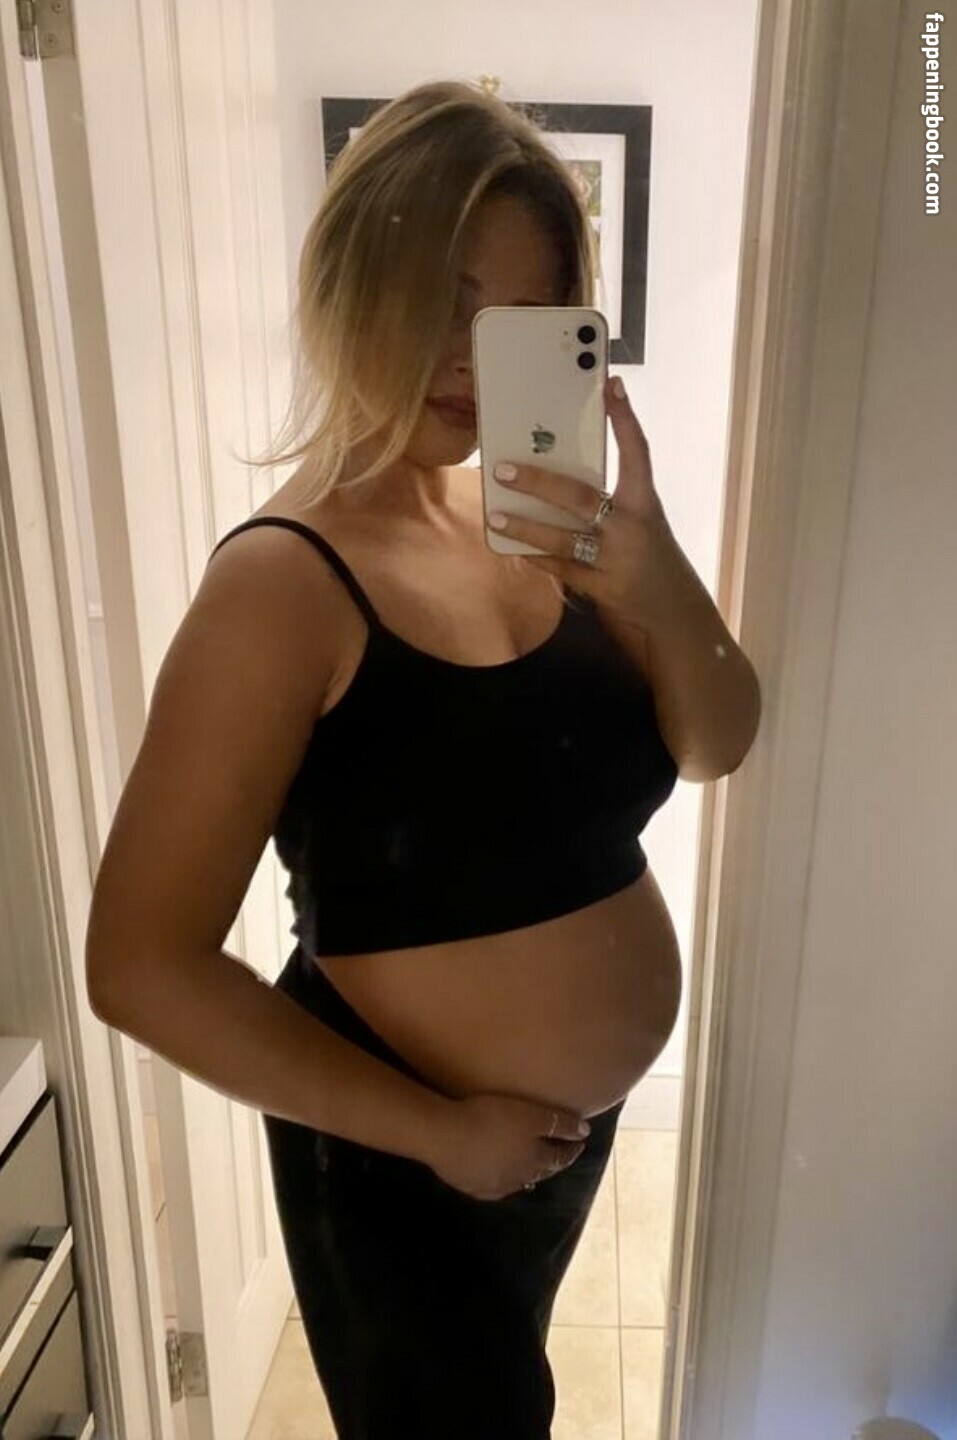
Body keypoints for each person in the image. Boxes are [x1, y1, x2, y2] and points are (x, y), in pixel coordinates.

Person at [86, 78, 761, 1439]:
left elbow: (713, 742)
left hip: (543, 1153)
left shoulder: (548, 524)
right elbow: (137, 965)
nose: (471, 356)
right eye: (443, 301)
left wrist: (660, 579)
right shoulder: (282, 586)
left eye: (521, 314)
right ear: (351, 285)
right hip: (401, 1161)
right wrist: (442, 1137)